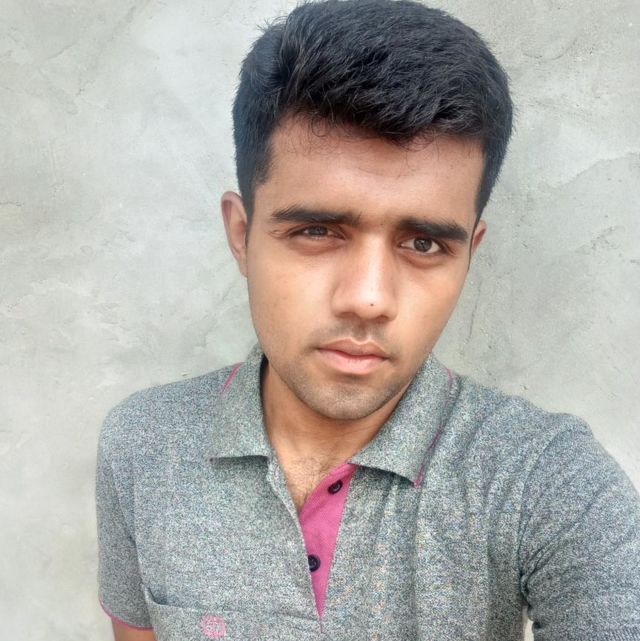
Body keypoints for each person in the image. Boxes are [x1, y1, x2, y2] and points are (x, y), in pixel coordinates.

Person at [95, 1, 640, 640]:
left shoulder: (545, 478)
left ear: (470, 252)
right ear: (242, 235)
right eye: (317, 231)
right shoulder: (143, 443)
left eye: (424, 244)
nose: (368, 299)